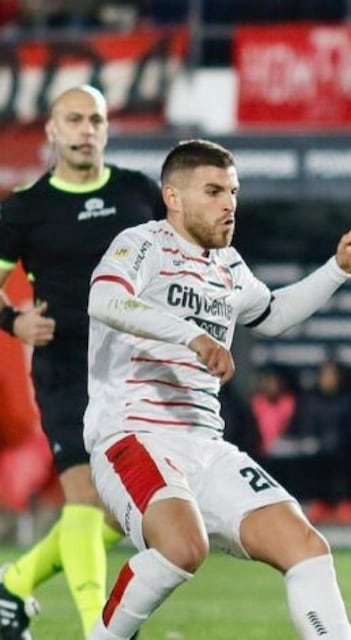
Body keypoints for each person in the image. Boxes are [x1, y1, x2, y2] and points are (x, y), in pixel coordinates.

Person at [82, 139, 351, 639]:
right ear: (173, 197)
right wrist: (192, 335)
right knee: (183, 547)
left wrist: (339, 270)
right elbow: (105, 300)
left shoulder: (227, 265)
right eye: (213, 191)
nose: (229, 204)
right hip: (132, 435)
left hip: (205, 445)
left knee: (306, 548)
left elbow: (271, 316)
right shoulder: (143, 243)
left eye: (234, 191)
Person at [0, 84, 165, 639]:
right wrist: (13, 320)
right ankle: (101, 626)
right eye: (73, 119)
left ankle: (15, 584)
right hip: (67, 369)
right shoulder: (24, 206)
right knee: (86, 499)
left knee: (125, 513)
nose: (85, 129)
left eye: (95, 119)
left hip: (139, 372)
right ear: (51, 129)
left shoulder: (139, 194)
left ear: (106, 128)